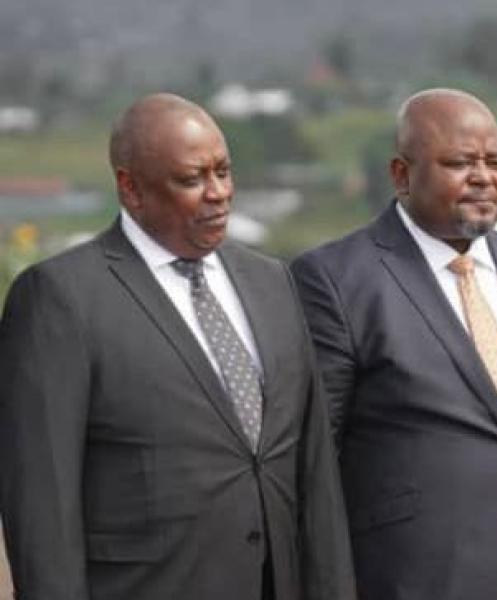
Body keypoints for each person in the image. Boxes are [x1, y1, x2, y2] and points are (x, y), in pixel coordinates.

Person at [0, 93, 355, 600]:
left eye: (224, 172)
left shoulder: (272, 281)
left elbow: (315, 470)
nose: (219, 193)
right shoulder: (62, 298)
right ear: (131, 188)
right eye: (192, 179)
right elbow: (42, 504)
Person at [291, 88, 497, 600]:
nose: (483, 177)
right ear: (401, 175)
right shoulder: (335, 279)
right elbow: (316, 456)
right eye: (459, 163)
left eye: (494, 161)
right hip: (419, 580)